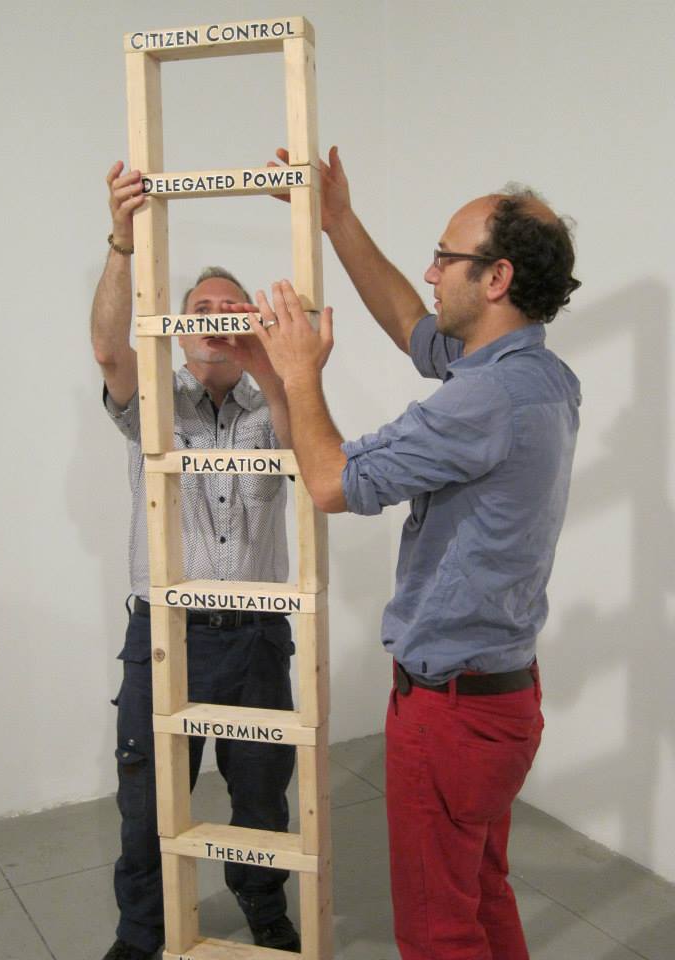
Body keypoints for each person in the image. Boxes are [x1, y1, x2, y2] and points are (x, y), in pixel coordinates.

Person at [250, 146, 582, 960]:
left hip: (452, 715)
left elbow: (330, 483)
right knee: (481, 895)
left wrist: (297, 374)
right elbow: (412, 326)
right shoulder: (537, 373)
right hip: (500, 700)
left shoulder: (483, 401)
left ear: (496, 277)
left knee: (438, 933)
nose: (431, 273)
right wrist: (339, 221)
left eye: (445, 256)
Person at [90, 161, 300, 960]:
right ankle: (142, 934)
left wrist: (271, 365)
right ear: (177, 327)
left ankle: (262, 906)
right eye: (200, 310)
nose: (215, 318)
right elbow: (109, 351)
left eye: (230, 308)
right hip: (164, 635)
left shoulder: (277, 399)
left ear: (248, 321)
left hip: (255, 636)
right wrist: (121, 240)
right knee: (148, 804)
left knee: (260, 799)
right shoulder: (152, 401)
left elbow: (311, 451)